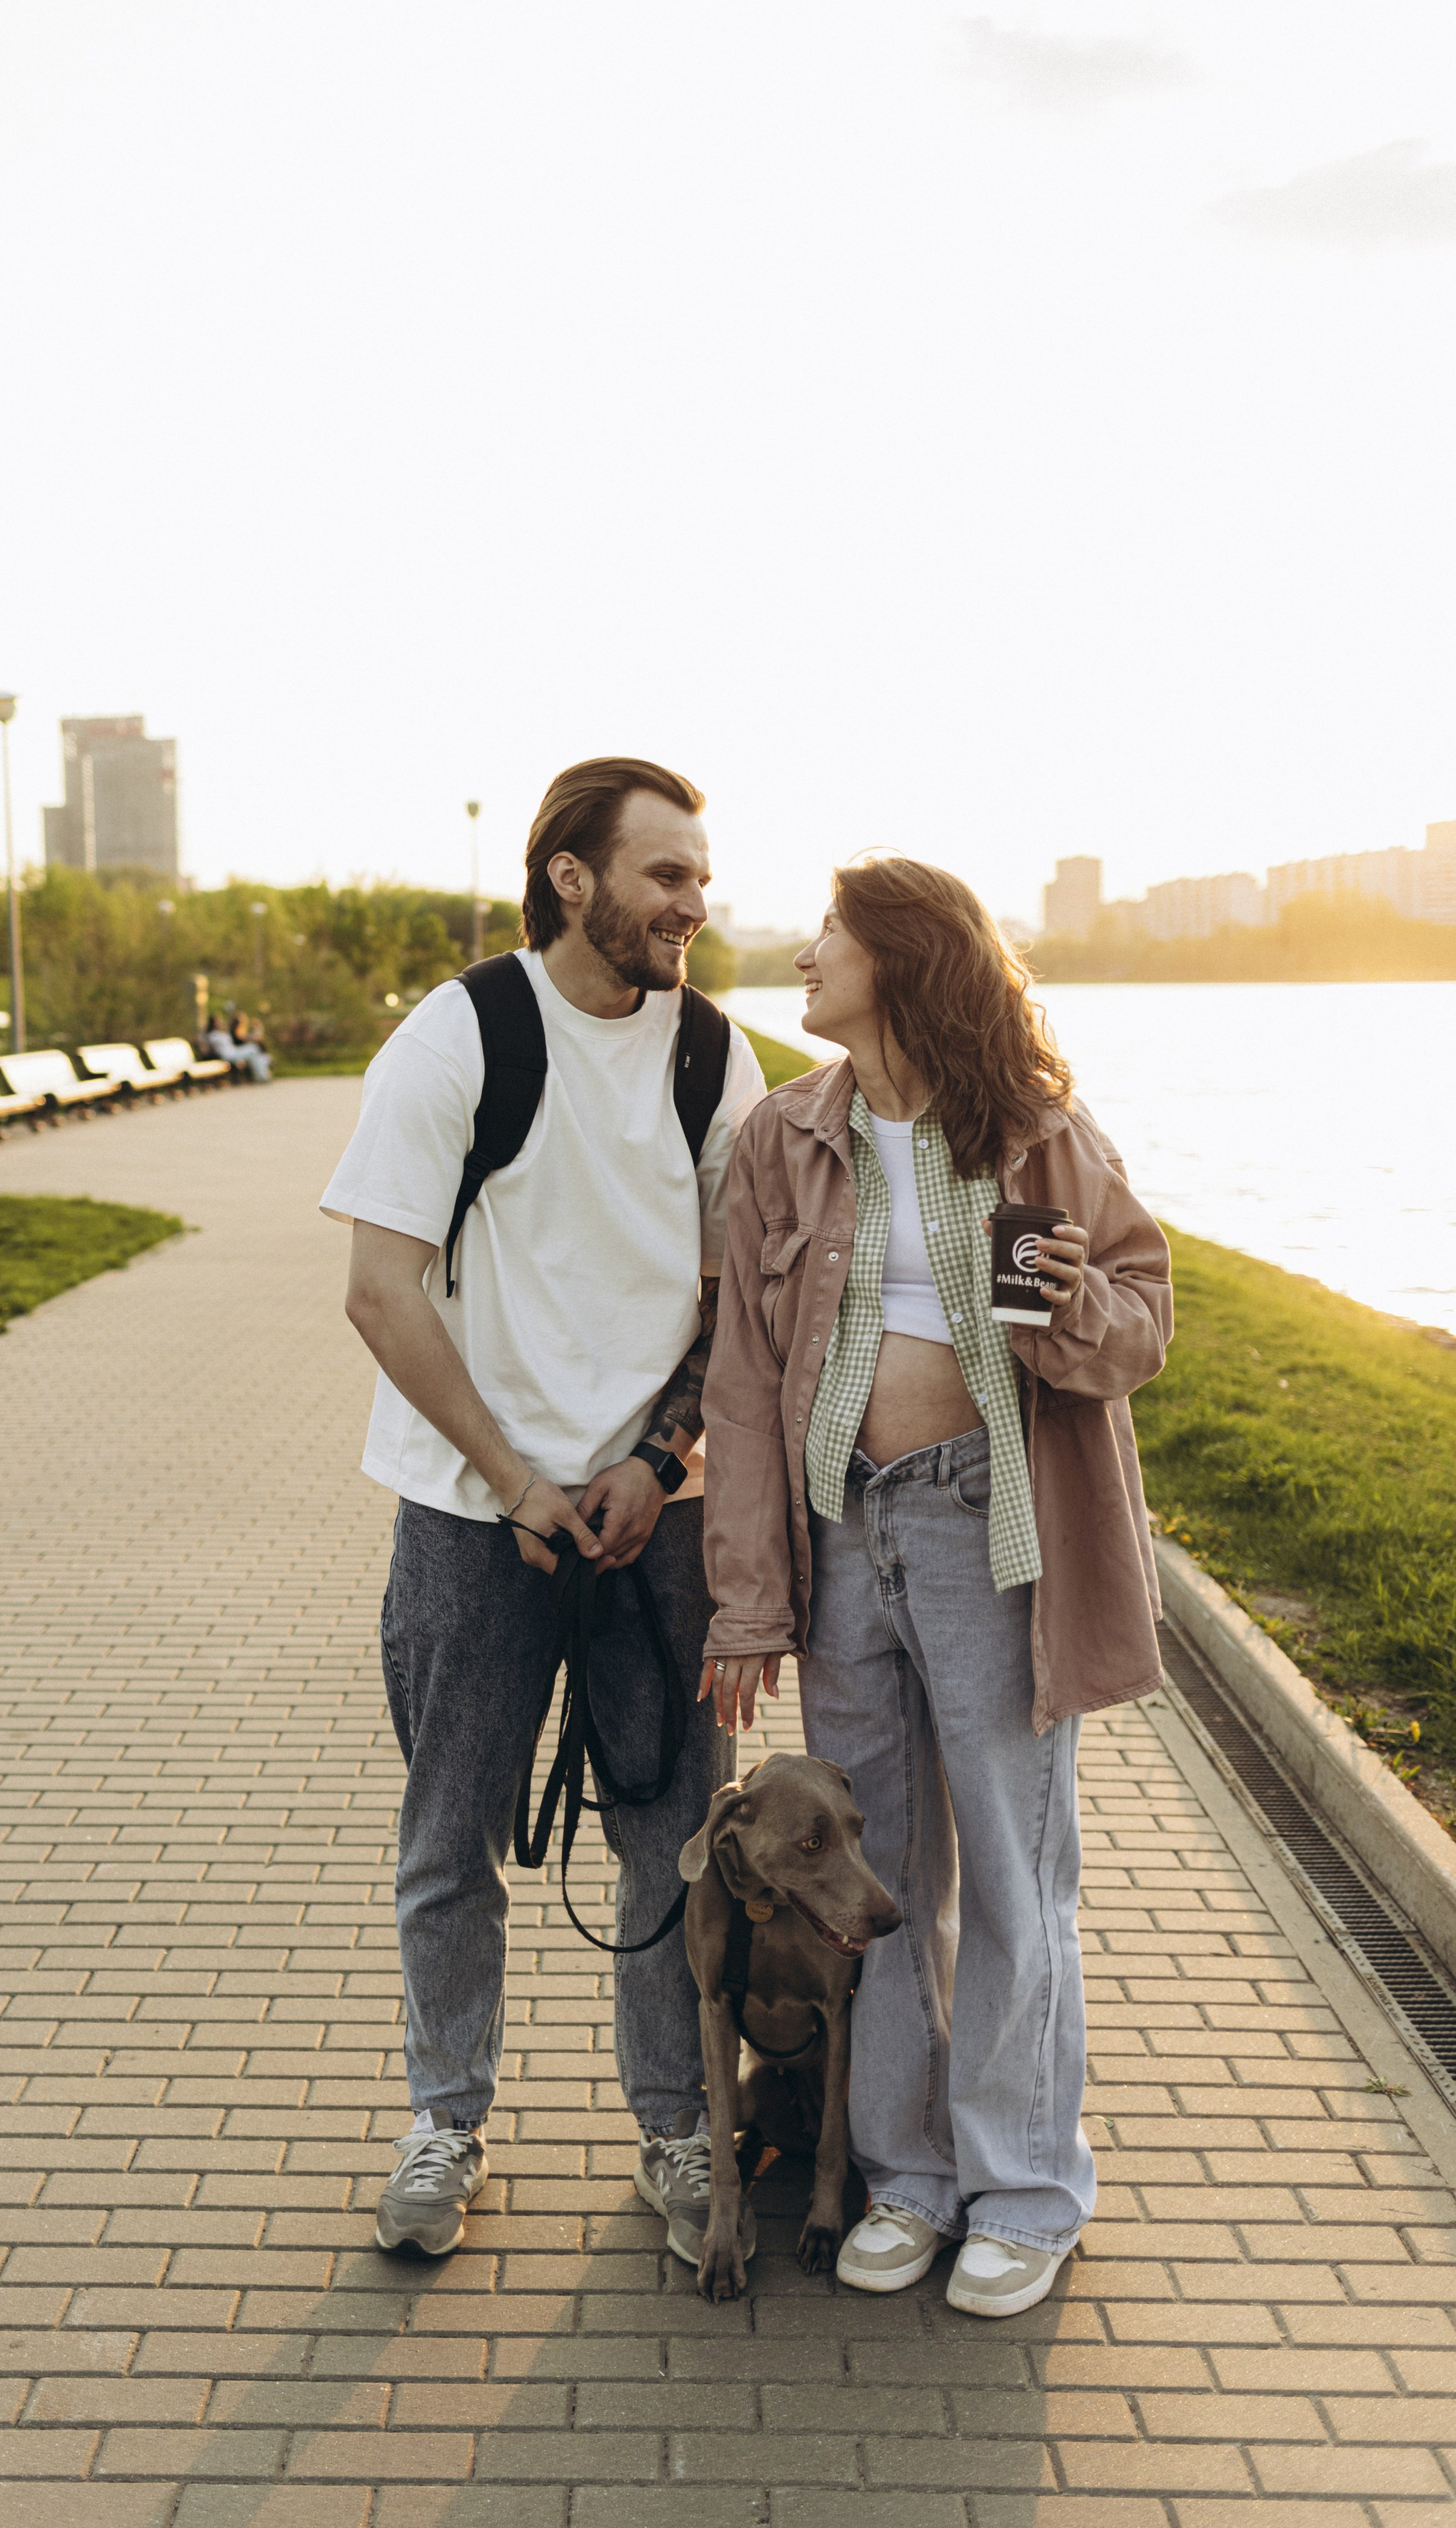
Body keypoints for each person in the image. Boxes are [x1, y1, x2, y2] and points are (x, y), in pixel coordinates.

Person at [700, 856, 1171, 2318]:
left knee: (1016, 1883)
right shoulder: (782, 1136)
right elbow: (739, 1383)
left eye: (827, 938)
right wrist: (747, 1602)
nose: (801, 957)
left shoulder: (1034, 1136)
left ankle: (1023, 2189)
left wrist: (1068, 1305)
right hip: (846, 1533)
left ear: (900, 963)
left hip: (987, 1535)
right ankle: (902, 2177)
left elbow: (1140, 1321)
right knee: (873, 1887)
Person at [321, 757, 765, 2264]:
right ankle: (444, 2124)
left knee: (672, 1846)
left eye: (698, 877)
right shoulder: (458, 1038)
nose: (691, 904)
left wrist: (655, 1461)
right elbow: (378, 1291)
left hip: (661, 1520)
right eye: (664, 875)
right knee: (449, 1840)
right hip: (469, 1519)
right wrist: (515, 1480)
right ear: (570, 878)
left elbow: (735, 1304)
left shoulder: (715, 1060)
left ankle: (679, 2133)